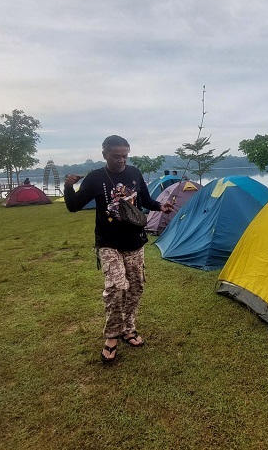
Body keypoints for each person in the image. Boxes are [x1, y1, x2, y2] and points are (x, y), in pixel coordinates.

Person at [64, 135, 174, 364]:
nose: (122, 160)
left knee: (135, 287)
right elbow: (74, 207)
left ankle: (128, 328)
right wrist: (67, 187)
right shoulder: (95, 178)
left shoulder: (134, 173)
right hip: (108, 243)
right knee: (116, 288)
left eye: (125, 155)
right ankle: (112, 336)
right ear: (104, 154)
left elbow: (144, 199)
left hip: (135, 242)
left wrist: (159, 206)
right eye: (117, 156)